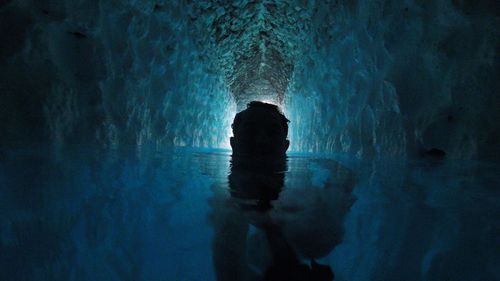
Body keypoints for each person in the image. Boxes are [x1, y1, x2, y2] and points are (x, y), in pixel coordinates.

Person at [211, 101, 344, 281]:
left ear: (286, 145)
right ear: (233, 143)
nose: (262, 140)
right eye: (251, 131)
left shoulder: (308, 193)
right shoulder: (224, 200)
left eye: (272, 132)